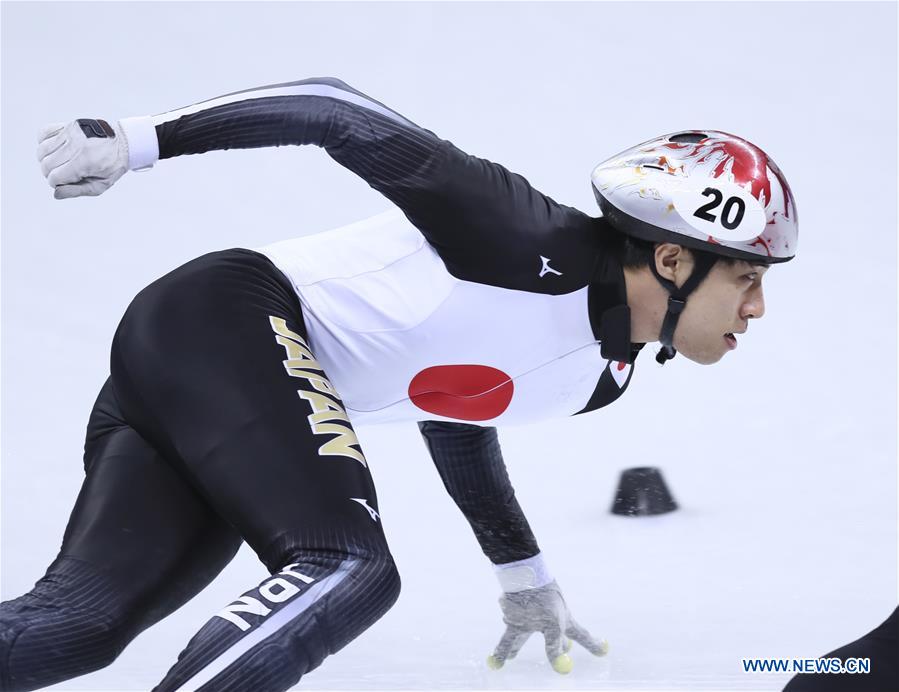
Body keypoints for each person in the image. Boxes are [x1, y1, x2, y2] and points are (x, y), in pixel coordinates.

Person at [1, 77, 796, 692]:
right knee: (346, 567)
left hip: (198, 381)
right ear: (671, 259)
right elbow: (332, 107)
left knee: (78, 627)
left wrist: (522, 574)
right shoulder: (519, 232)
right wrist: (138, 139)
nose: (757, 308)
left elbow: (449, 405)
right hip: (224, 315)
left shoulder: (602, 377)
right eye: (746, 277)